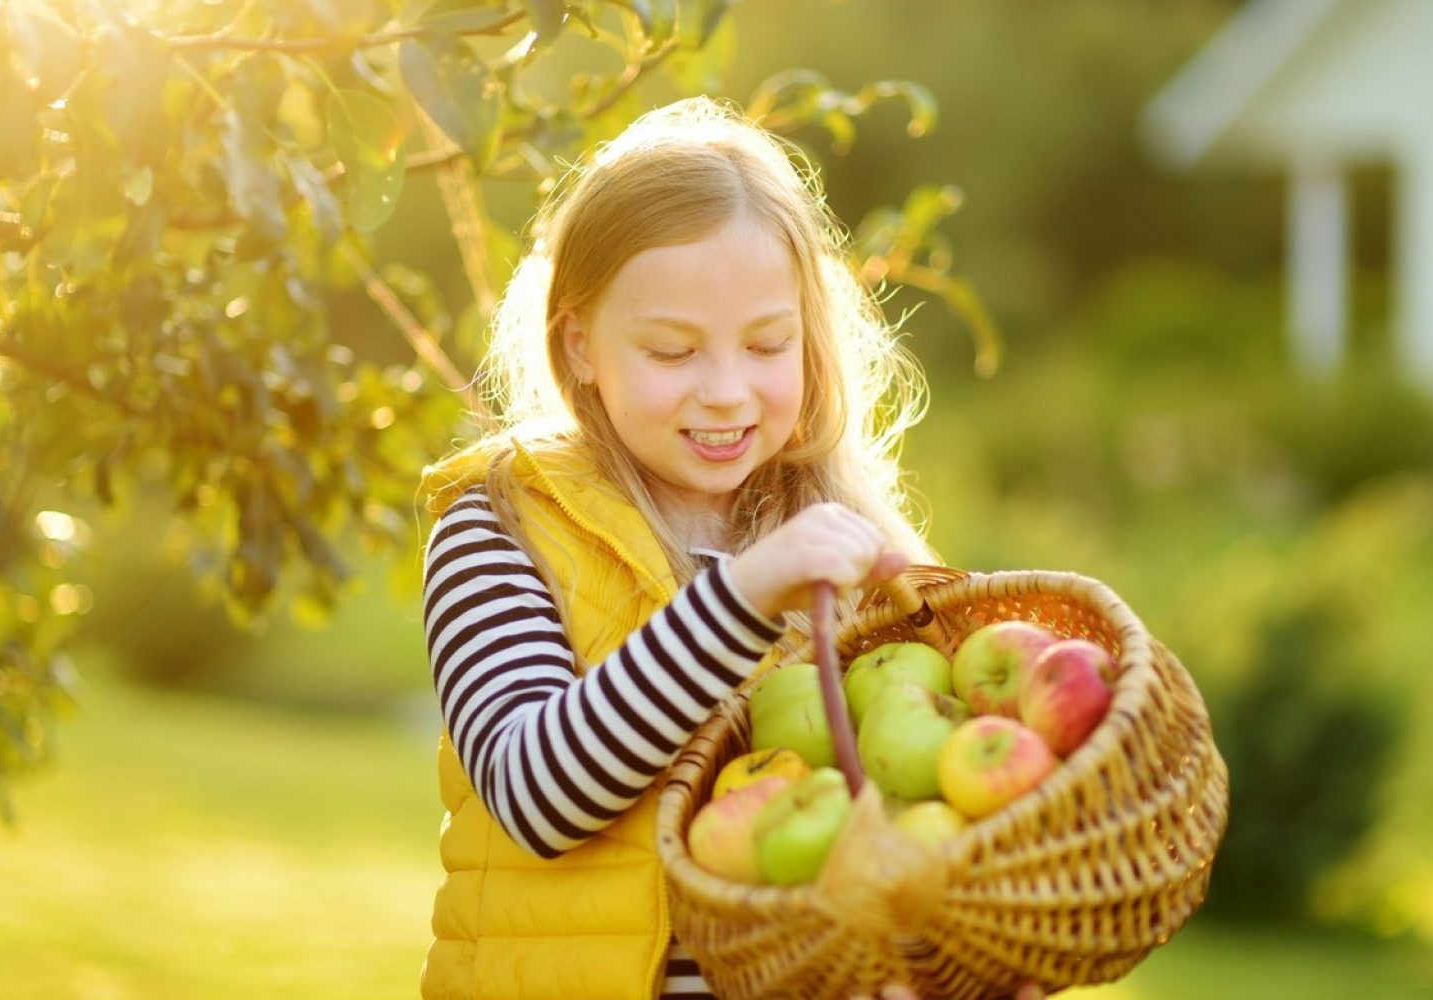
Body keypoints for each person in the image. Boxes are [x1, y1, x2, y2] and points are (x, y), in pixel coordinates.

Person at [417, 96, 1035, 1000]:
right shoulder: (499, 523)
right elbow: (535, 793)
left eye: (766, 344)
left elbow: (908, 811)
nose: (726, 391)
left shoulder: (836, 535)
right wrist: (744, 598)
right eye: (673, 351)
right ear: (580, 345)